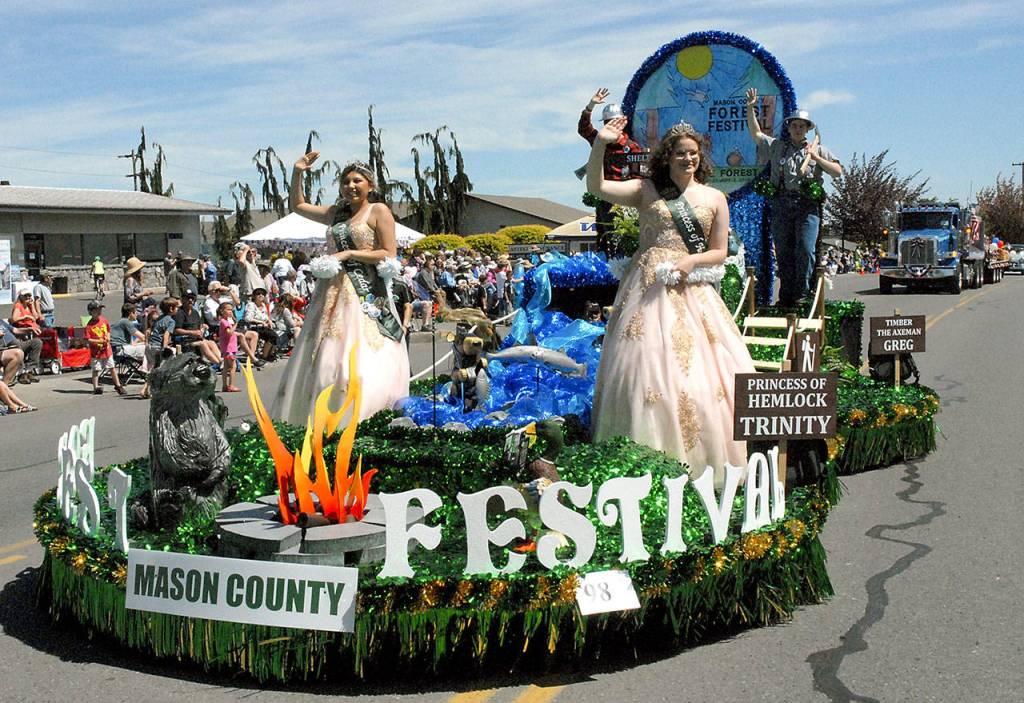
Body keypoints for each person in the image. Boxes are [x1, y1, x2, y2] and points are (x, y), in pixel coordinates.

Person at [587, 118, 755, 485]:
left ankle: (707, 459)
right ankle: (644, 459)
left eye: (693, 153)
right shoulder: (646, 189)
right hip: (648, 288)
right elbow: (597, 187)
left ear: (700, 157)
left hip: (692, 286)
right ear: (668, 156)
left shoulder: (714, 198)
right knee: (644, 366)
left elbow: (719, 251)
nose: (688, 159)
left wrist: (692, 261)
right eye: (680, 153)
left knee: (703, 373)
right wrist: (601, 143)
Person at [272, 154, 410, 424]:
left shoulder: (378, 210)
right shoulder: (336, 214)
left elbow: (388, 252)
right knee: (324, 355)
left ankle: (363, 412)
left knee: (360, 354)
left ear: (370, 185)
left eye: (357, 180)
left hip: (364, 290)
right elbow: (298, 206)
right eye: (346, 182)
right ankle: (321, 414)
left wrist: (348, 254)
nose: (351, 186)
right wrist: (297, 173)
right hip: (331, 291)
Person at [745, 88, 842, 307]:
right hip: (781, 203)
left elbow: (837, 172)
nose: (798, 129)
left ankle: (802, 292)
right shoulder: (777, 147)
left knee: (805, 249)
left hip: (807, 206)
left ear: (807, 129)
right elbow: (756, 133)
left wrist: (816, 158)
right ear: (788, 127)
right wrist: (750, 108)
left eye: (802, 126)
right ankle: (786, 295)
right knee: (783, 250)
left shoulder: (818, 149)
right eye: (794, 125)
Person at [579, 88, 644, 256]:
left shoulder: (632, 146)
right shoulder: (600, 141)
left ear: (623, 121)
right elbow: (584, 129)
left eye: (614, 121)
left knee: (623, 237)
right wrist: (590, 106)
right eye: (607, 122)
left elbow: (638, 175)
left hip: (624, 199)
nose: (611, 125)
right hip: (604, 198)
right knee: (603, 236)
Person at [140, 297, 179, 399]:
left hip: (150, 346)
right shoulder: (171, 321)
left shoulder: (159, 318)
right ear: (171, 309)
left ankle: (145, 389)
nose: (177, 309)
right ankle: (158, 389)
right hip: (158, 347)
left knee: (153, 369)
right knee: (164, 368)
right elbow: (166, 335)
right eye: (176, 307)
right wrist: (165, 348)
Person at [85, 302, 125, 395]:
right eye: (96, 310)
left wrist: (108, 337)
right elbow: (87, 339)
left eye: (100, 309)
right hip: (96, 352)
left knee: (112, 367)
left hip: (106, 350)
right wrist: (98, 341)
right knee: (96, 369)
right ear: (90, 312)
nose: (99, 311)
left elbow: (108, 331)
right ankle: (96, 387)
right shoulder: (89, 326)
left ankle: (118, 385)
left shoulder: (104, 320)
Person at [173, 290, 222, 365]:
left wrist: (203, 326)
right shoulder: (179, 313)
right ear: (183, 299)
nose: (190, 300)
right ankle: (217, 363)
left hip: (196, 338)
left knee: (211, 343)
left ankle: (221, 361)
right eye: (188, 298)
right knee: (203, 344)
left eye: (192, 298)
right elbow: (176, 330)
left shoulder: (195, 312)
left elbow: (199, 325)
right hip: (185, 341)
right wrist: (192, 332)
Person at [243, 287, 278, 362]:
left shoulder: (263, 305)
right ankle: (264, 356)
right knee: (272, 335)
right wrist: (261, 322)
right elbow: (248, 318)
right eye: (258, 294)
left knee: (275, 335)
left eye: (263, 294)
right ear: (254, 296)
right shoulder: (251, 305)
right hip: (253, 327)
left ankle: (268, 354)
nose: (261, 295)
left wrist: (269, 321)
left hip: (263, 327)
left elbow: (266, 317)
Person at [217, 302, 241, 393]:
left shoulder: (226, 321)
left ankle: (224, 385)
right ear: (222, 311)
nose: (230, 311)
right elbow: (229, 332)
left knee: (226, 367)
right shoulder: (224, 322)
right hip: (229, 348)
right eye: (228, 309)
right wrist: (235, 324)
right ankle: (231, 385)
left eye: (231, 310)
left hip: (227, 348)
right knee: (233, 366)